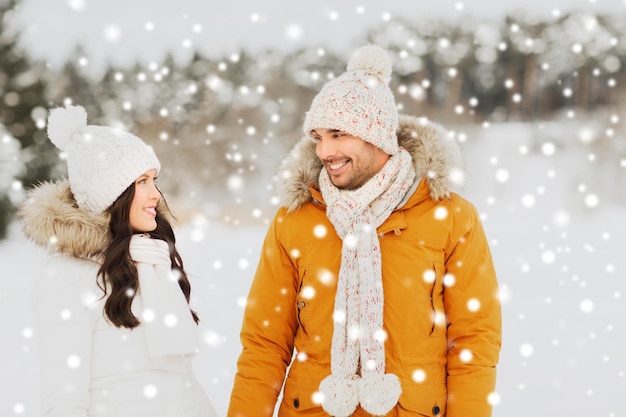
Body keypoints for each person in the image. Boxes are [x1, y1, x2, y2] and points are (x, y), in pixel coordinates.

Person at [227, 44, 502, 417]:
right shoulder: (295, 220)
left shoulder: (451, 217)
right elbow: (264, 344)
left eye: (338, 134)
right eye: (318, 136)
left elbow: (474, 342)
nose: (325, 150)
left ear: (378, 136)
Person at [18, 104, 218, 417]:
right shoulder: (68, 275)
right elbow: (64, 402)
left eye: (154, 180)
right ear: (110, 195)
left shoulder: (151, 260)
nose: (155, 194)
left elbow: (182, 384)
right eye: (141, 182)